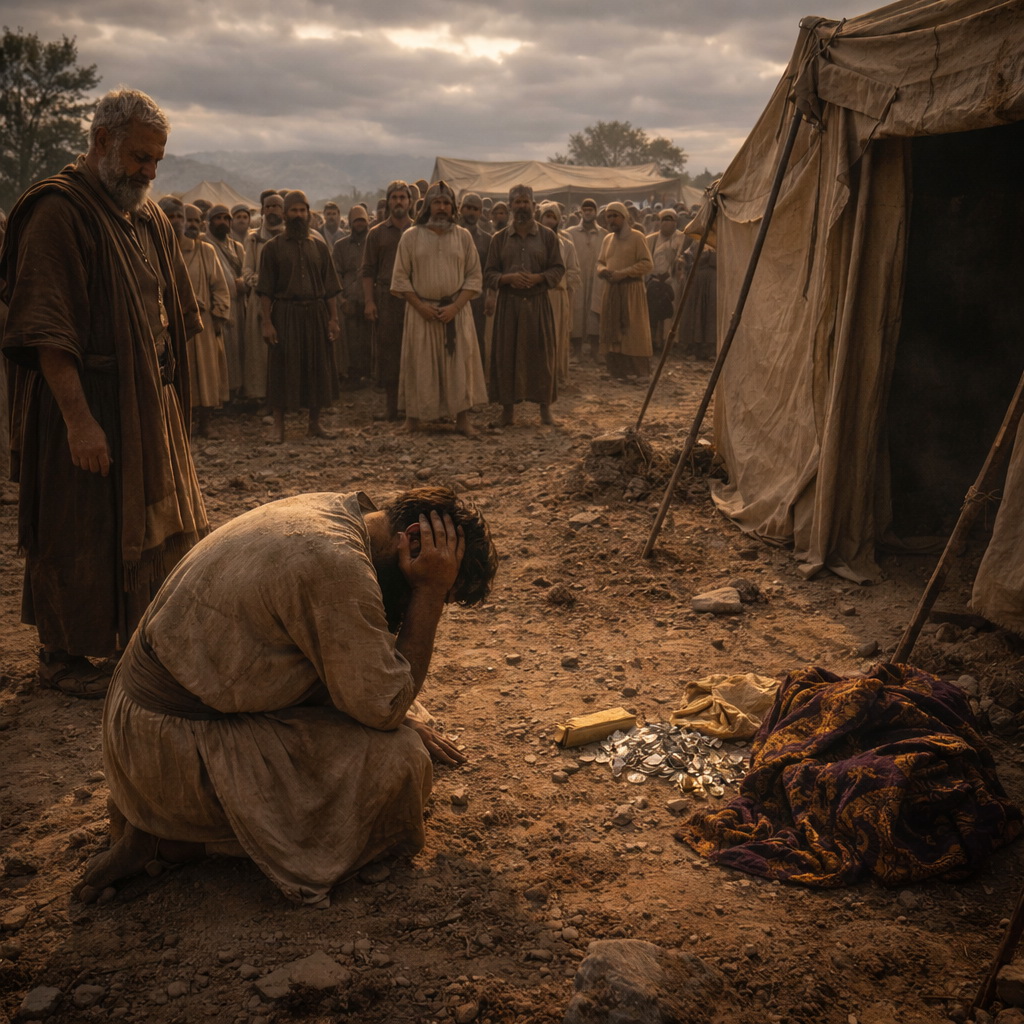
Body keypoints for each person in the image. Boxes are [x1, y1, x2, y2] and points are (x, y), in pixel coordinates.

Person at [75, 486, 498, 908]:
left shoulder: (339, 513)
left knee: (407, 705)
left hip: (156, 714)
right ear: (415, 541)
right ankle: (175, 844)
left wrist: (394, 704)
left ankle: (169, 823)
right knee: (401, 760)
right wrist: (429, 592)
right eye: (444, 587)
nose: (424, 598)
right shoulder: (336, 568)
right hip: (166, 750)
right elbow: (385, 708)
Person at [0, 87, 209, 697]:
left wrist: (168, 393)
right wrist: (79, 421)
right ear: (101, 142)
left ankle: (135, 639)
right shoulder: (58, 211)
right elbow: (46, 327)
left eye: (156, 162)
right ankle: (62, 657)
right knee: (79, 527)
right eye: (139, 158)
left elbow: (173, 311)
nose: (147, 172)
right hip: (85, 401)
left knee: (148, 520)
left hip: (147, 401)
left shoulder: (146, 216)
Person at [391, 181, 488, 437]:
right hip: (420, 312)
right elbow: (400, 278)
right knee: (419, 364)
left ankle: (462, 420)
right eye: (437, 202)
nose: (442, 208)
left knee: (459, 365)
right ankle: (413, 419)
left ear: (453, 207)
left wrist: (456, 307)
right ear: (427, 205)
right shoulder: (411, 236)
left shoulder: (463, 236)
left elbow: (474, 277)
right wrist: (420, 306)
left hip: (455, 312)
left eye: (447, 203)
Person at [258, 190, 341, 442]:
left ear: (308, 214)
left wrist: (333, 318)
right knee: (282, 368)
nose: (298, 215)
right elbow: (265, 291)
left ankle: (314, 424)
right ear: (285, 214)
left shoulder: (319, 247)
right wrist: (267, 322)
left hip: (315, 313)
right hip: (286, 314)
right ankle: (278, 427)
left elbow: (329, 287)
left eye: (302, 210)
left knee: (317, 367)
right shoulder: (272, 248)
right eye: (293, 210)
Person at [484, 184, 564, 427]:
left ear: (534, 206)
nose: (521, 207)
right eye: (516, 202)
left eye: (525, 202)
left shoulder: (547, 236)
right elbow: (488, 273)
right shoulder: (499, 239)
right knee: (506, 357)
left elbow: (558, 268)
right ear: (510, 206)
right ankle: (507, 413)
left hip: (538, 305)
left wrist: (539, 278)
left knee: (542, 357)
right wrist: (507, 279)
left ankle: (545, 410)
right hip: (509, 306)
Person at [361, 180, 412, 421]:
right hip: (387, 298)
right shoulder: (377, 233)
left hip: (414, 300)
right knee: (389, 353)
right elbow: (368, 271)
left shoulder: (419, 231)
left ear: (410, 201)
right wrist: (370, 302)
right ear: (389, 202)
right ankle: (391, 408)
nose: (399, 201)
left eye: (403, 197)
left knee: (414, 350)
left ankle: (413, 407)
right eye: (395, 198)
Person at [180, 204, 232, 434]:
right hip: (177, 321)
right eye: (187, 220)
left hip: (205, 323)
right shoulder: (166, 249)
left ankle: (205, 424)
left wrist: (219, 314)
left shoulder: (206, 251)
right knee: (183, 372)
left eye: (195, 220)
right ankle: (182, 424)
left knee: (207, 372)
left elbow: (220, 286)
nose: (191, 224)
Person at [597, 201, 654, 380]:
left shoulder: (637, 237)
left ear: (624, 217)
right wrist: (602, 271)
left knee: (633, 331)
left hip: (632, 292)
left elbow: (647, 263)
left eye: (615, 216)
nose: (612, 220)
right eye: (609, 217)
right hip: (612, 289)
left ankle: (638, 372)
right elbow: (600, 262)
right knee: (612, 329)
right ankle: (617, 371)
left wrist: (624, 273)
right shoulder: (607, 239)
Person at [240, 192, 285, 404]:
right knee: (260, 353)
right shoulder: (253, 238)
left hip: (283, 302)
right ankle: (262, 398)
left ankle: (283, 398)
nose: (273, 210)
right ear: (263, 210)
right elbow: (247, 271)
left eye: (277, 206)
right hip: (259, 301)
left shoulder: (288, 237)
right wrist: (264, 281)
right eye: (269, 206)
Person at [538, 202, 581, 390]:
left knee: (558, 334)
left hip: (558, 296)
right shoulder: (532, 241)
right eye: (546, 216)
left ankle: (556, 375)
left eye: (553, 217)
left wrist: (566, 292)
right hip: (538, 294)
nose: (549, 220)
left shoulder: (566, 244)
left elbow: (573, 271)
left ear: (557, 220)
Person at [332, 204, 372, 388]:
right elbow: (335, 275)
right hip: (349, 299)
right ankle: (353, 376)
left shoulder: (374, 242)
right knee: (351, 342)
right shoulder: (340, 246)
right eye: (356, 220)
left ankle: (372, 375)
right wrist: (341, 300)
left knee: (371, 339)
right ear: (350, 222)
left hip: (370, 299)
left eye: (362, 220)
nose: (360, 224)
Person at [566, 198, 607, 362]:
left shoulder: (604, 234)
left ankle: (595, 351)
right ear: (581, 212)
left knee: (595, 311)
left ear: (596, 212)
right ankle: (576, 351)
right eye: (585, 209)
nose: (588, 212)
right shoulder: (571, 233)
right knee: (576, 311)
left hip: (597, 278)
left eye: (591, 209)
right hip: (578, 277)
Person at [645, 208, 686, 352]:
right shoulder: (651, 239)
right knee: (653, 311)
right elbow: (647, 259)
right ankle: (653, 341)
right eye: (664, 220)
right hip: (655, 280)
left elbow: (683, 259)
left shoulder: (683, 238)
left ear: (676, 222)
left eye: (670, 220)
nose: (667, 223)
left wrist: (674, 271)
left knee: (671, 311)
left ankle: (669, 342)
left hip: (673, 281)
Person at [458, 191, 492, 367]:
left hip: (477, 299)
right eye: (468, 208)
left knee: (477, 339)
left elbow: (490, 272)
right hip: (452, 298)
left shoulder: (487, 240)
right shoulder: (448, 235)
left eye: (475, 209)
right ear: (460, 209)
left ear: (480, 212)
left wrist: (489, 296)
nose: (471, 212)